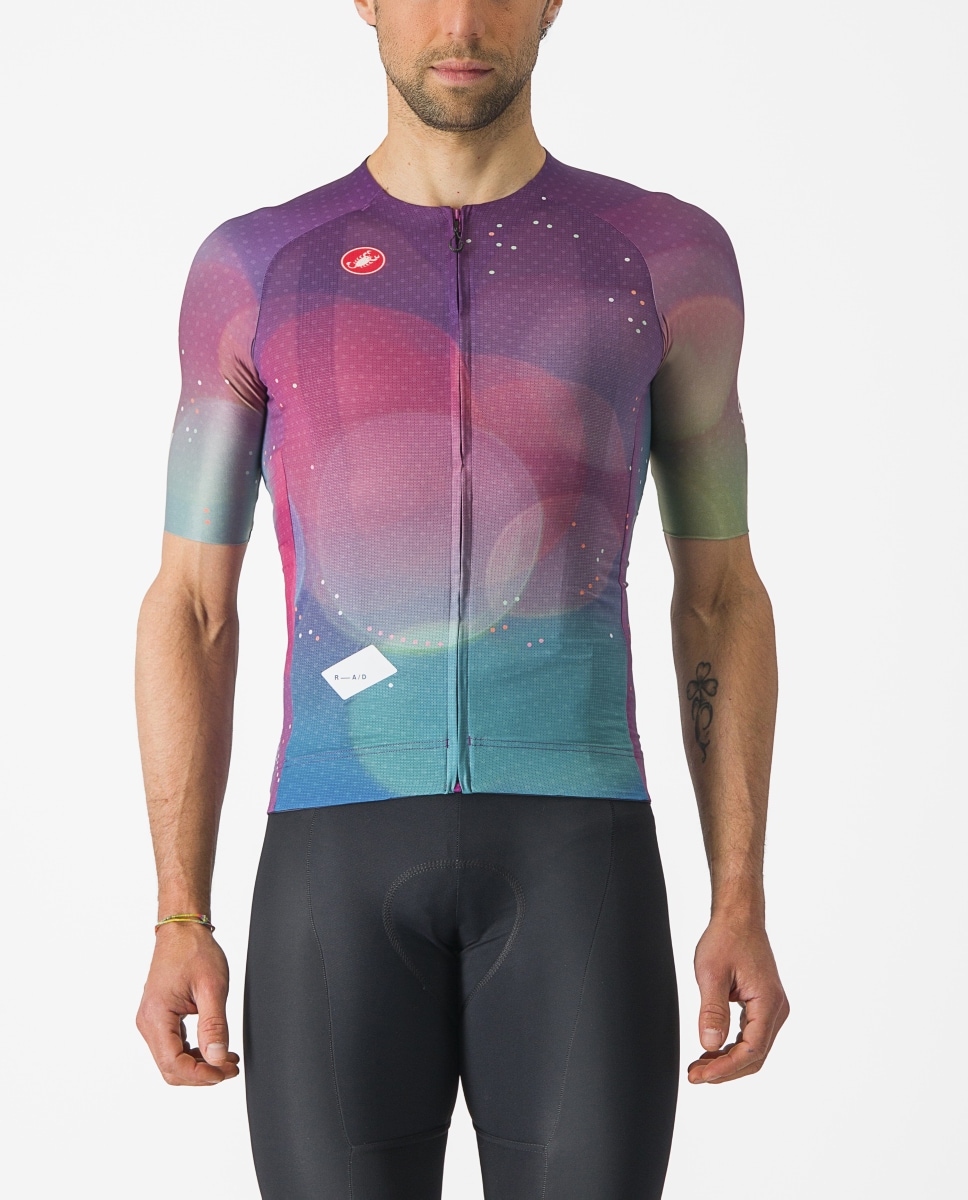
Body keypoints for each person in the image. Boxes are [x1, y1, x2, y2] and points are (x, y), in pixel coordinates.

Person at [134, 1, 789, 1195]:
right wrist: (181, 913)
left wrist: (737, 892)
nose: (460, 20)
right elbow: (191, 606)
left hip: (579, 858)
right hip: (331, 863)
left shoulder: (664, 257)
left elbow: (721, 594)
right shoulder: (257, 267)